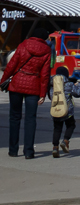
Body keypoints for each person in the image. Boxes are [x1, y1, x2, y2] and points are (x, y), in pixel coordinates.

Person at [3, 25, 53, 159]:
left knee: (14, 117)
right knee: (31, 119)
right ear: (43, 38)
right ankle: (29, 151)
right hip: (34, 86)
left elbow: (12, 65)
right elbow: (45, 75)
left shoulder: (23, 45)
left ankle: (13, 150)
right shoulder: (47, 50)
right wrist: (43, 94)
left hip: (17, 84)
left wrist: (3, 80)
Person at [48, 66, 80, 157]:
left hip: (56, 109)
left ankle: (55, 147)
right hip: (67, 110)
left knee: (57, 128)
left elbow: (49, 96)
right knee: (71, 125)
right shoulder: (69, 84)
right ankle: (65, 140)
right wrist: (79, 85)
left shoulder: (51, 84)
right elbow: (78, 94)